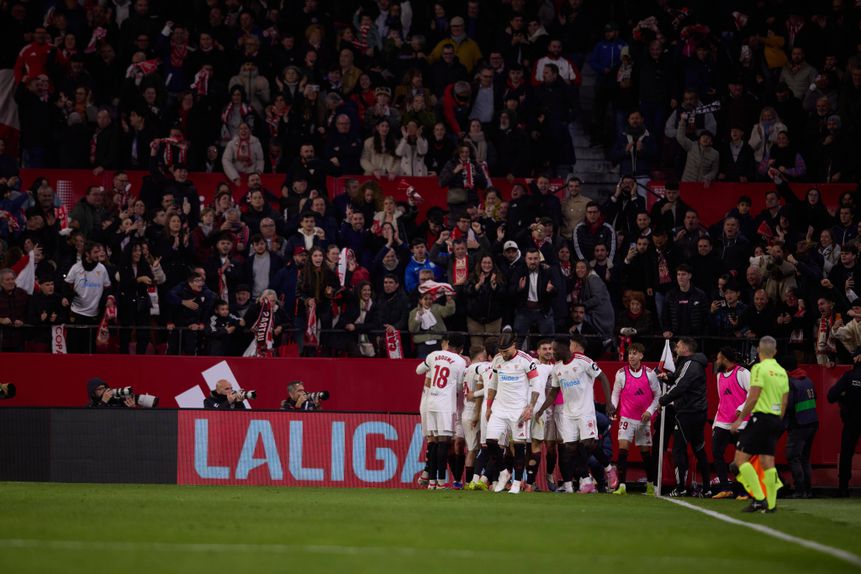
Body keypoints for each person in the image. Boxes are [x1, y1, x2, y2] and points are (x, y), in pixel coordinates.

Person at [536, 334, 615, 494]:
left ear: (566, 348)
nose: (553, 353)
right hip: (568, 413)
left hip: (585, 411)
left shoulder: (583, 362)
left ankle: (608, 468)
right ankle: (586, 481)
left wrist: (608, 403)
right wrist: (541, 409)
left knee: (588, 443)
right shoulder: (557, 368)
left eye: (555, 349)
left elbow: (603, 378)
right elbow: (553, 392)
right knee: (570, 448)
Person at [731, 336, 789, 513]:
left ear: (758, 350)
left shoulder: (758, 368)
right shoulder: (781, 371)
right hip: (775, 419)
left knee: (739, 461)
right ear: (775, 351)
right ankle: (771, 505)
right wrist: (777, 421)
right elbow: (784, 401)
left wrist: (740, 419)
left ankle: (758, 499)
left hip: (760, 418)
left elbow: (754, 396)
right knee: (767, 461)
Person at [481, 332, 539, 494]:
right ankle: (503, 472)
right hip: (499, 408)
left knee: (519, 446)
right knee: (490, 442)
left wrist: (530, 407)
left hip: (518, 410)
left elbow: (536, 384)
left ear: (514, 345)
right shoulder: (497, 360)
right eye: (501, 350)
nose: (503, 354)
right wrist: (488, 407)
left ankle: (516, 482)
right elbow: (493, 384)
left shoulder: (526, 361)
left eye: (506, 351)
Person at [658, 337, 712, 497]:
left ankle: (681, 486)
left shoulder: (690, 364)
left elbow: (681, 386)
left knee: (678, 449)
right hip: (698, 412)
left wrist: (663, 399)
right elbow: (680, 380)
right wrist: (668, 378)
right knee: (699, 449)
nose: (676, 348)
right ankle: (707, 488)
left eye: (679, 346)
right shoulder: (693, 363)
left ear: (686, 348)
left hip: (688, 413)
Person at [415, 333, 468, 490]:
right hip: (445, 404)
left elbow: (419, 370)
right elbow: (459, 387)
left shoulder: (434, 355)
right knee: (443, 442)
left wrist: (430, 372)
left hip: (430, 401)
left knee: (434, 442)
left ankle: (431, 482)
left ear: (447, 344)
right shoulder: (460, 361)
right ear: (461, 349)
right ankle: (441, 482)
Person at [610, 343, 660, 495]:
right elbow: (615, 394)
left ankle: (651, 485)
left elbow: (658, 396)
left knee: (645, 454)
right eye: (630, 353)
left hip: (643, 420)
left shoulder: (650, 374)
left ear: (641, 356)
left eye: (635, 353)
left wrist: (650, 411)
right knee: (622, 450)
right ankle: (622, 486)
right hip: (627, 418)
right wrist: (612, 409)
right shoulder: (621, 373)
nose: (631, 356)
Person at [711, 347, 751, 499]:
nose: (717, 361)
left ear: (725, 359)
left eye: (718, 358)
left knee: (741, 459)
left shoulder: (743, 373)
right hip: (722, 422)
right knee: (716, 452)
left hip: (741, 423)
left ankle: (744, 491)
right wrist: (716, 422)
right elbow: (722, 401)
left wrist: (741, 408)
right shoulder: (719, 376)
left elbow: (753, 393)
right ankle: (725, 488)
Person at [63, 241, 112, 354]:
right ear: (87, 254)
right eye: (95, 252)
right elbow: (66, 285)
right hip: (76, 314)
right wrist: (65, 297)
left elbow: (108, 287)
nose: (98, 254)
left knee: (89, 350)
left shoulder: (102, 269)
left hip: (94, 316)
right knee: (74, 349)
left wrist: (109, 298)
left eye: (99, 251)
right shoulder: (76, 268)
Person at [782, 354, 818, 499]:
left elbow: (788, 406)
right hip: (812, 423)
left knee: (793, 456)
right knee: (804, 458)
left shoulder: (791, 383)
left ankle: (799, 490)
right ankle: (808, 490)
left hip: (799, 425)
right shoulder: (807, 380)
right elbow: (814, 397)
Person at [826, 353, 861, 497]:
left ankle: (843, 488)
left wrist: (845, 397)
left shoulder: (849, 376)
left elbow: (831, 396)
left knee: (847, 453)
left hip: (851, 420)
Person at [526, 339, 556, 492]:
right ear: (537, 351)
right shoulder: (532, 363)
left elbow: (554, 391)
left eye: (550, 348)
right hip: (533, 410)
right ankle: (527, 482)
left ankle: (547, 476)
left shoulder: (554, 368)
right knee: (526, 446)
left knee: (549, 447)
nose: (548, 351)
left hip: (548, 412)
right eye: (544, 348)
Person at [408, 289, 455, 359]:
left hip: (438, 342)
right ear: (420, 301)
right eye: (425, 299)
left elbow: (448, 312)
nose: (428, 301)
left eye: (430, 299)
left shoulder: (437, 307)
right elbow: (412, 329)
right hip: (423, 344)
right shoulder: (414, 312)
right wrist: (418, 317)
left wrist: (449, 301)